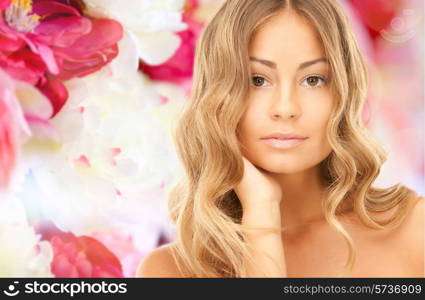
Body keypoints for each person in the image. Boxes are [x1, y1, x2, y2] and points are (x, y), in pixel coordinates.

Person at [136, 0, 424, 278]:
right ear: (217, 97)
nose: (285, 108)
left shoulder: (413, 228)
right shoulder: (171, 271)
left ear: (345, 94)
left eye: (313, 80)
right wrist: (261, 215)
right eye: (257, 80)